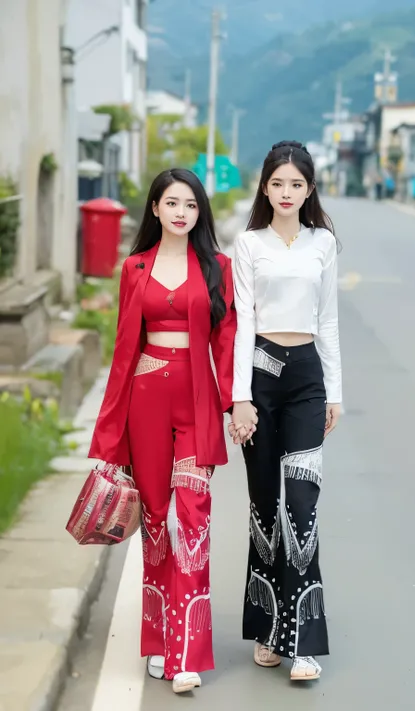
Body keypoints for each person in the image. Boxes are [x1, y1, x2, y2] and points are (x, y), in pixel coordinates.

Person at [89, 168, 236, 694]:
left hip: (195, 406)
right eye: (172, 203)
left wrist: (232, 402)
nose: (181, 212)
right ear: (154, 209)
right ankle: (156, 642)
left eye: (191, 205)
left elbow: (227, 340)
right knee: (155, 524)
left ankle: (188, 653)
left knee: (191, 523)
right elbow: (124, 350)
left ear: (200, 213)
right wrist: (109, 436)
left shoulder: (217, 266)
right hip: (146, 403)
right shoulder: (135, 268)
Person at [229, 141, 342, 682]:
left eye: (297, 185)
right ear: (265, 188)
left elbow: (329, 322)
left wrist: (335, 392)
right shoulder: (249, 244)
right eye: (278, 184)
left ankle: (303, 642)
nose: (287, 193)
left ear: (309, 189)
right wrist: (240, 396)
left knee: (302, 501)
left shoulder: (324, 244)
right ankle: (268, 629)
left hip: (306, 382)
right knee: (264, 507)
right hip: (260, 376)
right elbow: (243, 324)